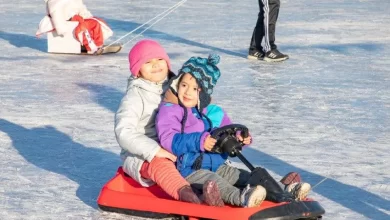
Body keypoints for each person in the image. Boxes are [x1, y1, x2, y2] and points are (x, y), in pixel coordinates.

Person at [156, 54, 311, 208]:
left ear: (204, 92)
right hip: (191, 169)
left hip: (218, 164)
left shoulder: (213, 111)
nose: (188, 92)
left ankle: (282, 192)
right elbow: (168, 139)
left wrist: (240, 138)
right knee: (216, 182)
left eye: (195, 88)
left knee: (246, 176)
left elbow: (227, 130)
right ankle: (241, 197)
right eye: (184, 85)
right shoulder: (171, 110)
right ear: (177, 83)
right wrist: (199, 141)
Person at [114, 39, 223, 207]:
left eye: (159, 59)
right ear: (137, 71)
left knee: (201, 153)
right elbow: (124, 132)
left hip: (174, 143)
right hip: (143, 154)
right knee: (161, 164)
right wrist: (155, 150)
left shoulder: (175, 86)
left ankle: (222, 187)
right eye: (147, 62)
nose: (155, 65)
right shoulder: (134, 97)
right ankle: (190, 196)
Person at [36, 0, 113, 54]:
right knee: (82, 27)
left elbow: (81, 9)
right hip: (67, 22)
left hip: (76, 18)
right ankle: (91, 48)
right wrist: (61, 29)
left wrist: (89, 17)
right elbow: (56, 15)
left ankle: (98, 43)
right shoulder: (55, 2)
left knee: (95, 22)